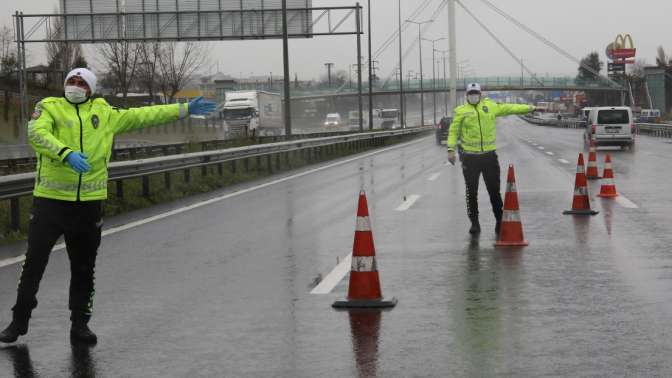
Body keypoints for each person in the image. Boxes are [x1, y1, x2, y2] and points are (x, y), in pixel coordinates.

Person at [0, 68, 216, 344]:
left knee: (83, 268)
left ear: (90, 89)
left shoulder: (105, 114)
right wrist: (65, 154)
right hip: (50, 203)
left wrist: (184, 108)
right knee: (33, 264)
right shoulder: (49, 107)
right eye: (71, 81)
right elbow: (37, 133)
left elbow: (144, 116)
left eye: (81, 82)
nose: (75, 86)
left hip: (88, 205)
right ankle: (18, 322)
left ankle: (80, 324)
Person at [447, 83, 535, 235]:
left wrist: (529, 108)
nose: (473, 95)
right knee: (471, 192)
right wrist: (450, 149)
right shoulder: (461, 111)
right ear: (467, 95)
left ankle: (499, 221)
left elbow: (509, 108)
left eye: (476, 93)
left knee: (494, 191)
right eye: (471, 93)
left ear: (480, 94)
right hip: (470, 158)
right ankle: (474, 223)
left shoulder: (490, 106)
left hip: (489, 157)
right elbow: (453, 131)